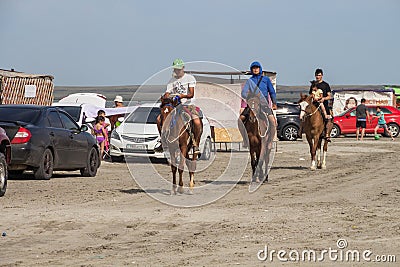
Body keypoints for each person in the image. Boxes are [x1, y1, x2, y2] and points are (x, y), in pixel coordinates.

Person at [155, 59, 202, 154]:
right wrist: (166, 96)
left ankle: (195, 143)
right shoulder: (171, 81)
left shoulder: (190, 78)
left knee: (196, 121)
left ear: (183, 68)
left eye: (179, 69)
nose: (177, 71)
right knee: (159, 119)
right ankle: (163, 140)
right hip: (174, 106)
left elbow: (191, 94)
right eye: (175, 69)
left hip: (187, 105)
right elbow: (168, 92)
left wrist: (181, 96)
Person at [238, 61, 277, 148]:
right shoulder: (249, 81)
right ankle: (245, 139)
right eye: (253, 68)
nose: (255, 70)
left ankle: (270, 141)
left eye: (257, 68)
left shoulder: (266, 80)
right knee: (240, 119)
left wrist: (274, 103)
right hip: (252, 104)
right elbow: (243, 93)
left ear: (260, 69)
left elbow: (272, 92)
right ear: (251, 70)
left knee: (273, 122)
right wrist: (248, 95)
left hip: (264, 105)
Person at [301, 68, 333, 141]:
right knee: (304, 114)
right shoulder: (313, 84)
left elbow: (329, 96)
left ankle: (327, 133)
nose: (318, 77)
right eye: (316, 75)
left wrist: (323, 99)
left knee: (328, 117)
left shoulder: (325, 85)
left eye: (319, 75)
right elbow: (310, 95)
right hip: (314, 104)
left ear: (322, 75)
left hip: (323, 104)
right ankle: (302, 130)